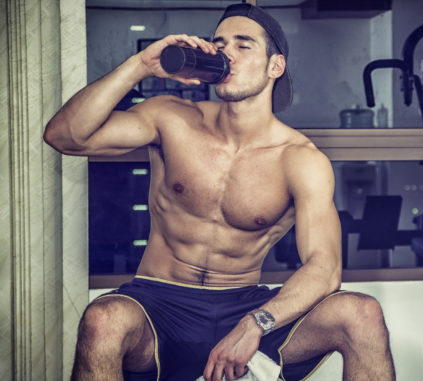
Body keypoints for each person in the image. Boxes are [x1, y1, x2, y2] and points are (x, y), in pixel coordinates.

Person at [44, 3, 395, 381]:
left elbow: (324, 270)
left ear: (274, 66)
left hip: (242, 305)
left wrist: (256, 323)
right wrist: (141, 65)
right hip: (159, 304)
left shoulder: (300, 160)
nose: (226, 52)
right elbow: (65, 135)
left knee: (362, 313)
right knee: (103, 319)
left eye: (243, 45)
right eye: (220, 43)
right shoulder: (172, 118)